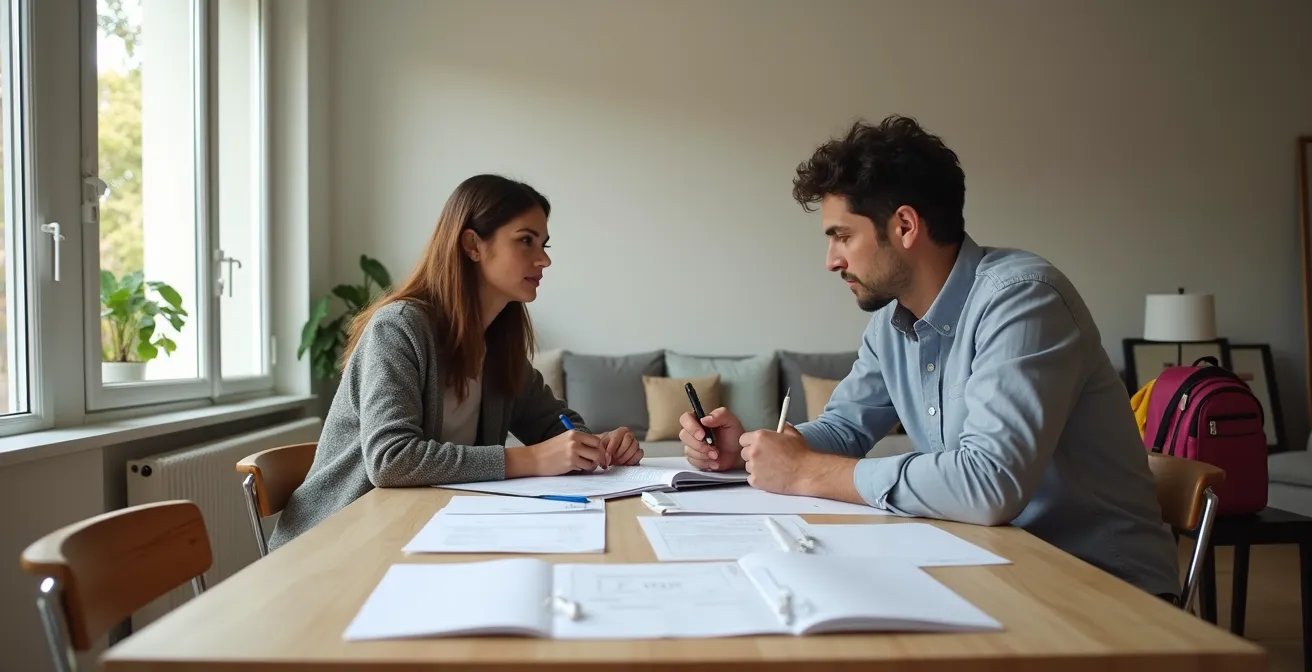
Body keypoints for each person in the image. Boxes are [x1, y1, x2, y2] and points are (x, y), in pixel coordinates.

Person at [677, 116, 1180, 600]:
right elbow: (844, 429)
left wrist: (807, 472)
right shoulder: (891, 324)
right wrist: (754, 450)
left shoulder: (1024, 300)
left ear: (904, 226)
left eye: (842, 236)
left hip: (1100, 589)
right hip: (989, 567)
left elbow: (989, 484)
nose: (831, 261)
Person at [269, 174, 642, 550]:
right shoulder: (398, 328)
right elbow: (392, 459)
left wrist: (596, 446)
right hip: (336, 542)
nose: (544, 259)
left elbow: (554, 425)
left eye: (543, 244)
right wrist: (530, 459)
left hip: (424, 530)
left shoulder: (497, 343)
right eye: (525, 240)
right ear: (472, 245)